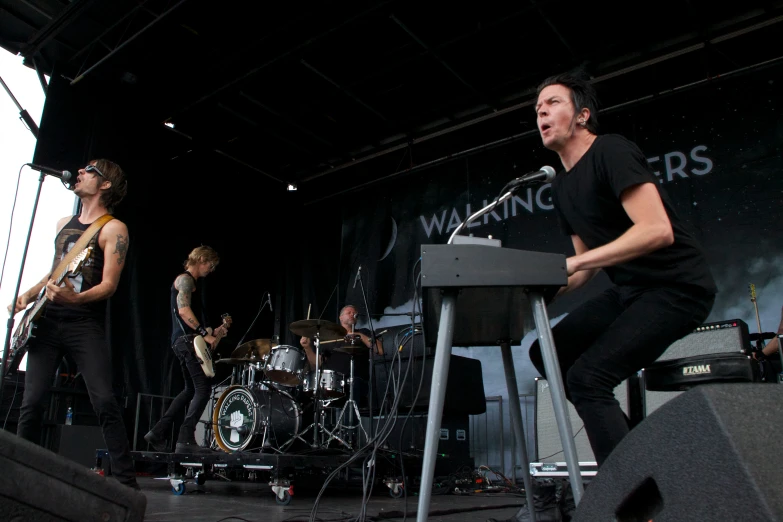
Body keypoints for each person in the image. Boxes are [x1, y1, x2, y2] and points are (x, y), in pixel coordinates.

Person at [489, 73, 717, 522]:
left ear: (583, 115)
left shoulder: (610, 150)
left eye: (552, 103)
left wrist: (571, 266)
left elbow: (656, 230)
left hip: (677, 286)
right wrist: (533, 295)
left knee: (588, 380)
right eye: (537, 109)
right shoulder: (560, 186)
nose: (541, 113)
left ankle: (638, 504)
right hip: (630, 290)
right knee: (548, 352)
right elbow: (585, 264)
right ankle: (644, 466)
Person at [10, 159, 138, 490]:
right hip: (48, 321)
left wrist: (75, 300)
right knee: (32, 401)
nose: (79, 173)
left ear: (105, 184)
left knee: (104, 401)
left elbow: (109, 285)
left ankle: (127, 484)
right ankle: (22, 478)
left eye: (89, 171)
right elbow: (58, 271)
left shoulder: (114, 228)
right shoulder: (63, 223)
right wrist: (30, 293)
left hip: (84, 322)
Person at [144, 246, 229, 454]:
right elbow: (183, 310)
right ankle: (185, 439)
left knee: (190, 389)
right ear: (201, 259)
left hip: (184, 341)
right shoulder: (186, 279)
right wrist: (203, 332)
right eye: (211, 264)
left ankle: (157, 432)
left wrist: (215, 331)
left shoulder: (191, 283)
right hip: (186, 341)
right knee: (203, 389)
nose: (211, 269)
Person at [299, 304, 383, 409]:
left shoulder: (363, 332)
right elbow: (316, 364)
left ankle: (350, 423)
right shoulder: (328, 338)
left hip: (356, 381)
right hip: (332, 382)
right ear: (341, 317)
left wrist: (358, 335)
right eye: (349, 312)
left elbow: (379, 350)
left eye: (355, 313)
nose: (353, 314)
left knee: (354, 385)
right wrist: (307, 348)